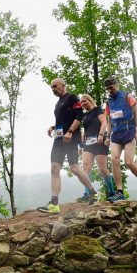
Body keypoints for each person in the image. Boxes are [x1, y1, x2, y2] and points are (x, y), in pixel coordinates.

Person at [38, 78, 97, 213]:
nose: (53, 89)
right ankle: (54, 203)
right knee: (54, 167)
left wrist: (70, 131)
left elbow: (79, 116)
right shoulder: (58, 103)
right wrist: (54, 126)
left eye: (55, 86)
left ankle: (93, 193)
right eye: (51, 87)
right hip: (58, 138)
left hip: (70, 138)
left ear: (63, 85)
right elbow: (64, 119)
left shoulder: (71, 97)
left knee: (74, 168)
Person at [103, 76, 137, 201]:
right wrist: (107, 136)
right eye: (107, 89)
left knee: (129, 162)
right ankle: (120, 191)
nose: (110, 90)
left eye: (111, 87)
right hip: (116, 133)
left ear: (117, 85)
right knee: (114, 159)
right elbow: (109, 121)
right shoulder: (108, 102)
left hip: (129, 130)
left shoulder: (127, 95)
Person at [76, 94, 115, 203]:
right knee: (85, 167)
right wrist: (81, 145)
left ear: (90, 101)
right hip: (88, 143)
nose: (83, 104)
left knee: (103, 169)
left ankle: (112, 192)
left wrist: (101, 135)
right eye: (81, 102)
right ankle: (89, 194)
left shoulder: (97, 110)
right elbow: (85, 131)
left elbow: (104, 123)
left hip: (99, 142)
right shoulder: (85, 116)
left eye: (85, 101)